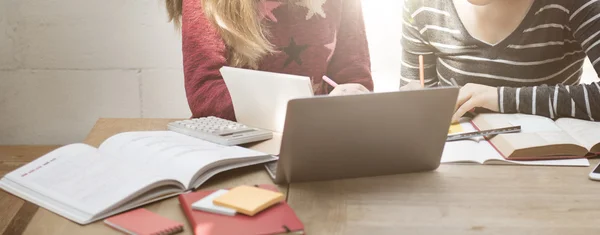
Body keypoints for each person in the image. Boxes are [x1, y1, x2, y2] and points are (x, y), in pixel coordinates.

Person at [164, 0, 373, 120]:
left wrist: (353, 95)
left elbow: (354, 76)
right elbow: (204, 93)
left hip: (316, 140)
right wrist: (307, 111)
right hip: (235, 146)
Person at [400, 0, 600, 122]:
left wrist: (502, 99)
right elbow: (416, 101)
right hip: (455, 169)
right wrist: (406, 106)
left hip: (549, 170)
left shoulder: (575, 4)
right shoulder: (422, 6)